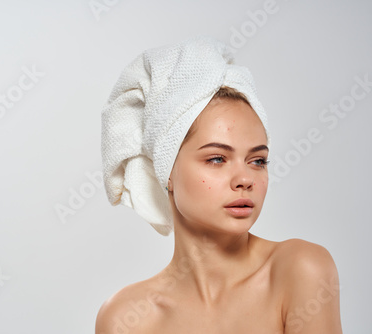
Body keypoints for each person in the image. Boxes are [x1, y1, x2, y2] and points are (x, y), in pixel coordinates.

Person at [96, 36, 342, 333]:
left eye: (257, 161)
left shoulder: (299, 271)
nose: (245, 180)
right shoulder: (127, 318)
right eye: (216, 159)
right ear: (167, 172)